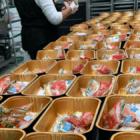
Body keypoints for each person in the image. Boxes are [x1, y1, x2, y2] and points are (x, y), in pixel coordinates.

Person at [14, 0, 79, 59]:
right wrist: (71, 8)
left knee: (38, 66)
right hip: (44, 39)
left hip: (30, 37)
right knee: (50, 68)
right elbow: (55, 19)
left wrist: (63, 11)